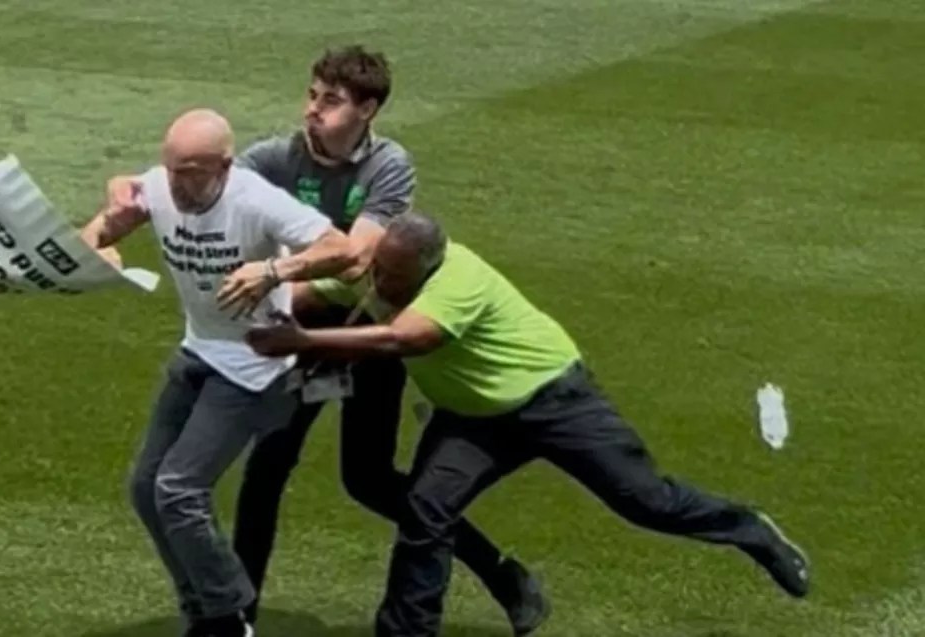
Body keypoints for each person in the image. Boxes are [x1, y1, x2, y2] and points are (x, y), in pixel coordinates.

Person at [244, 211, 812, 637]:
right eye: (377, 271)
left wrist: (304, 341)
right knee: (425, 509)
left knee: (646, 501)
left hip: (555, 399)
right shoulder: (374, 271)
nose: (379, 285)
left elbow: (406, 338)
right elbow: (304, 294)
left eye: (394, 277)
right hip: (473, 420)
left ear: (427, 268)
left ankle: (750, 529)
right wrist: (257, 293)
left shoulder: (457, 277)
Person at [229, 45, 546, 635]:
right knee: (266, 468)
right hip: (294, 339)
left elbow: (358, 263)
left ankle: (502, 573)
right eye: (312, 95)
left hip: (366, 334)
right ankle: (240, 618)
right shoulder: (274, 158)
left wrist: (275, 283)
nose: (313, 110)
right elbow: (215, 190)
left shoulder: (389, 165)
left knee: (369, 478)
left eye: (331, 100)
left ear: (367, 109)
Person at [80, 107, 357, 637]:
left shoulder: (256, 200)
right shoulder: (160, 185)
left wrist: (274, 268)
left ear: (224, 166)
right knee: (145, 487)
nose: (176, 185)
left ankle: (230, 620)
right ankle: (202, 616)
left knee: (180, 490)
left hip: (256, 365)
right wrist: (97, 243)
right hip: (200, 350)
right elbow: (105, 224)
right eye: (170, 168)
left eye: (190, 172)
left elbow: (341, 250)